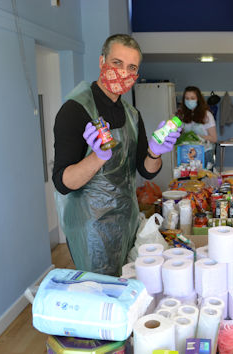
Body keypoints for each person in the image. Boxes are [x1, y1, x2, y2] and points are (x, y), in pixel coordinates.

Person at [52, 34, 180, 276]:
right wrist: (97, 157)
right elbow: (63, 182)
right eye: (117, 63)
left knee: (128, 286)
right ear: (102, 62)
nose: (123, 72)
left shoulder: (132, 114)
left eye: (131, 67)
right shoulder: (75, 110)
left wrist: (155, 152)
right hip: (91, 225)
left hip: (127, 219)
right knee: (102, 296)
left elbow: (145, 170)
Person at [179, 86, 218, 168]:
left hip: (205, 154)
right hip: (187, 154)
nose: (189, 101)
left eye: (192, 98)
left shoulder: (207, 115)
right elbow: (181, 134)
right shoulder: (182, 115)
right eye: (187, 98)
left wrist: (197, 137)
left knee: (205, 179)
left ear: (198, 100)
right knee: (188, 180)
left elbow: (214, 138)